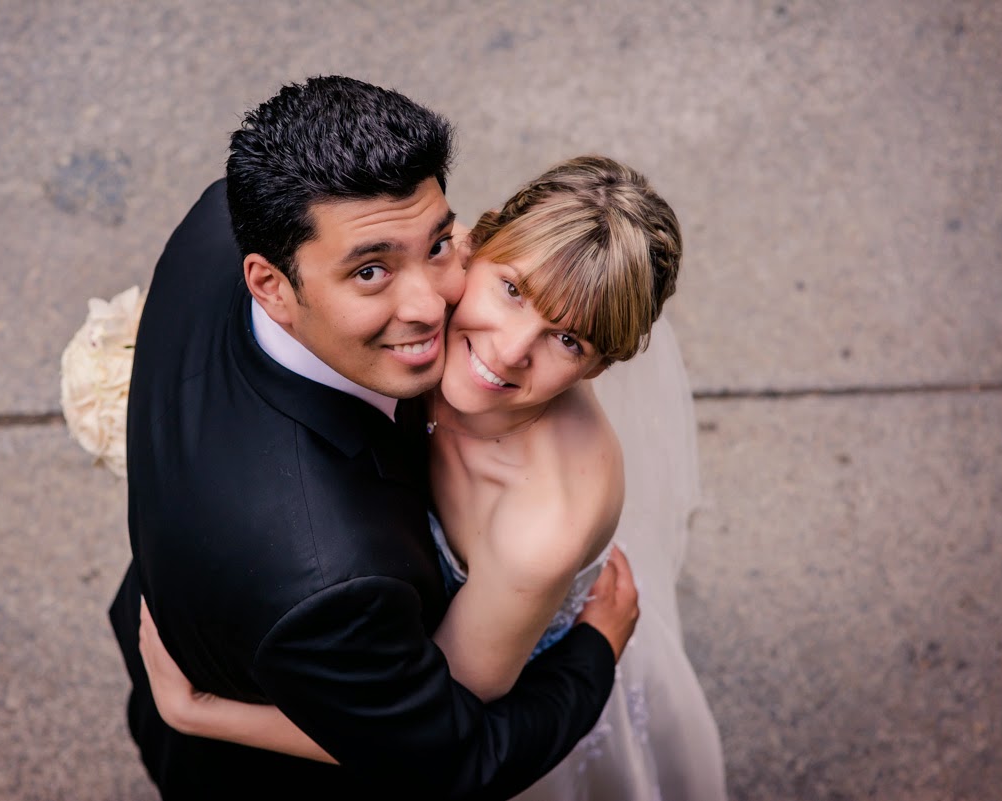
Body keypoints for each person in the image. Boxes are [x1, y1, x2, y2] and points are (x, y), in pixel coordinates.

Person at [107, 77, 641, 800]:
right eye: (371, 270)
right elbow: (459, 758)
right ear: (269, 283)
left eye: (438, 244)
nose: (429, 305)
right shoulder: (328, 577)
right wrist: (594, 651)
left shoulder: (221, 216)